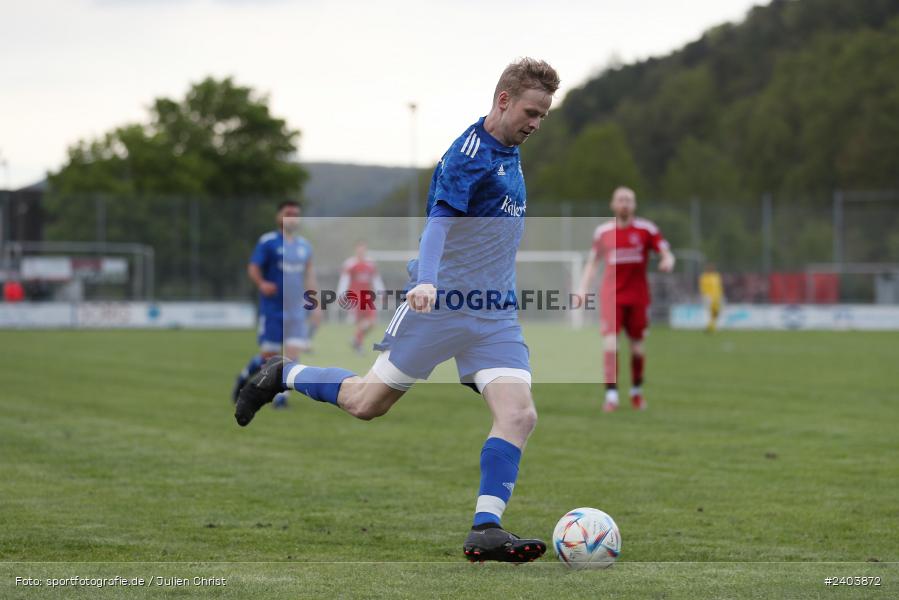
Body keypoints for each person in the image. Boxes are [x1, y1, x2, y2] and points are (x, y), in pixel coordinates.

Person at [235, 58, 560, 563]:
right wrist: (427, 281)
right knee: (367, 403)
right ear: (503, 101)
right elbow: (438, 226)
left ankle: (486, 528)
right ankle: (284, 374)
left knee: (519, 414)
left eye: (543, 115)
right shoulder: (467, 156)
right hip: (440, 307)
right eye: (532, 112)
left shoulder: (511, 149)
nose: (537, 124)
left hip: (494, 314)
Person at [576, 186, 675, 412]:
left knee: (638, 348)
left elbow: (666, 251)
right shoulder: (603, 233)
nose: (624, 204)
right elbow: (593, 263)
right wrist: (582, 288)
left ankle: (636, 392)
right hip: (612, 296)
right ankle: (611, 396)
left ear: (634, 205)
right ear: (612, 204)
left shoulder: (647, 230)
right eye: (620, 200)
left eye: (628, 200)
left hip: (639, 297)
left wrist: (667, 260)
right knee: (611, 344)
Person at [231, 200, 321, 408]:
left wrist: (314, 304)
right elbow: (253, 267)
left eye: (296, 214)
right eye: (288, 213)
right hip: (272, 309)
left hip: (296, 310)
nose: (292, 217)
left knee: (292, 354)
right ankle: (244, 377)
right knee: (269, 357)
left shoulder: (304, 246)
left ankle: (281, 397)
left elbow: (309, 276)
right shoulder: (268, 242)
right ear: (278, 216)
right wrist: (262, 283)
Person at [337, 241, 385, 354]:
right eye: (359, 250)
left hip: (367, 297)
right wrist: (341, 295)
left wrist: (381, 293)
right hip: (355, 297)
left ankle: (355, 340)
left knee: (372, 323)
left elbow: (376, 280)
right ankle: (359, 346)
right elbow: (344, 280)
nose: (361, 252)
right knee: (361, 323)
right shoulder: (350, 264)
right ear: (356, 250)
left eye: (363, 250)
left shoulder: (370, 264)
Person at [699, 263, 724, 333]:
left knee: (716, 312)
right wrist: (705, 295)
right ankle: (709, 327)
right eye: (709, 268)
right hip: (708, 297)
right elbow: (702, 287)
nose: (711, 269)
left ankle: (712, 326)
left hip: (717, 296)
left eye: (712, 268)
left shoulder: (716, 276)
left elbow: (719, 286)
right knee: (709, 312)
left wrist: (721, 295)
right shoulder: (704, 276)